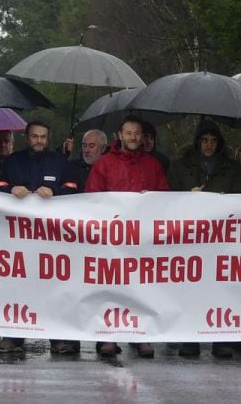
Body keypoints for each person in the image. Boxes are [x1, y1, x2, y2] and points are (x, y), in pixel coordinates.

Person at [0, 121, 79, 354]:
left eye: (43, 136)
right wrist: (10, 190)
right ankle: (14, 337)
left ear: (48, 139)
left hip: (52, 239)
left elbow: (73, 187)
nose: (38, 140)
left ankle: (57, 338)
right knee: (17, 286)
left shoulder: (60, 162)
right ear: (26, 137)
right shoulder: (12, 162)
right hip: (17, 238)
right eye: (34, 136)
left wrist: (56, 192)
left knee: (53, 287)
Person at [86, 116, 169, 358]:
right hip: (111, 238)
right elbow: (91, 197)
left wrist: (150, 197)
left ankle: (140, 335)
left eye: (137, 133)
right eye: (128, 133)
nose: (133, 137)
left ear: (142, 137)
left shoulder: (153, 165)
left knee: (141, 287)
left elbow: (164, 197)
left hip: (142, 239)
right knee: (110, 287)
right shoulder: (103, 164)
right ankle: (108, 337)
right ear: (119, 136)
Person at [168, 120, 241, 358]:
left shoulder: (231, 168)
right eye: (204, 140)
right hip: (189, 237)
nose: (208, 145)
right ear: (197, 142)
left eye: (213, 140)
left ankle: (219, 339)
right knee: (191, 287)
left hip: (222, 238)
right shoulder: (179, 167)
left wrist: (226, 200)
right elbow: (166, 198)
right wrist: (187, 196)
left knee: (220, 287)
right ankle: (190, 339)